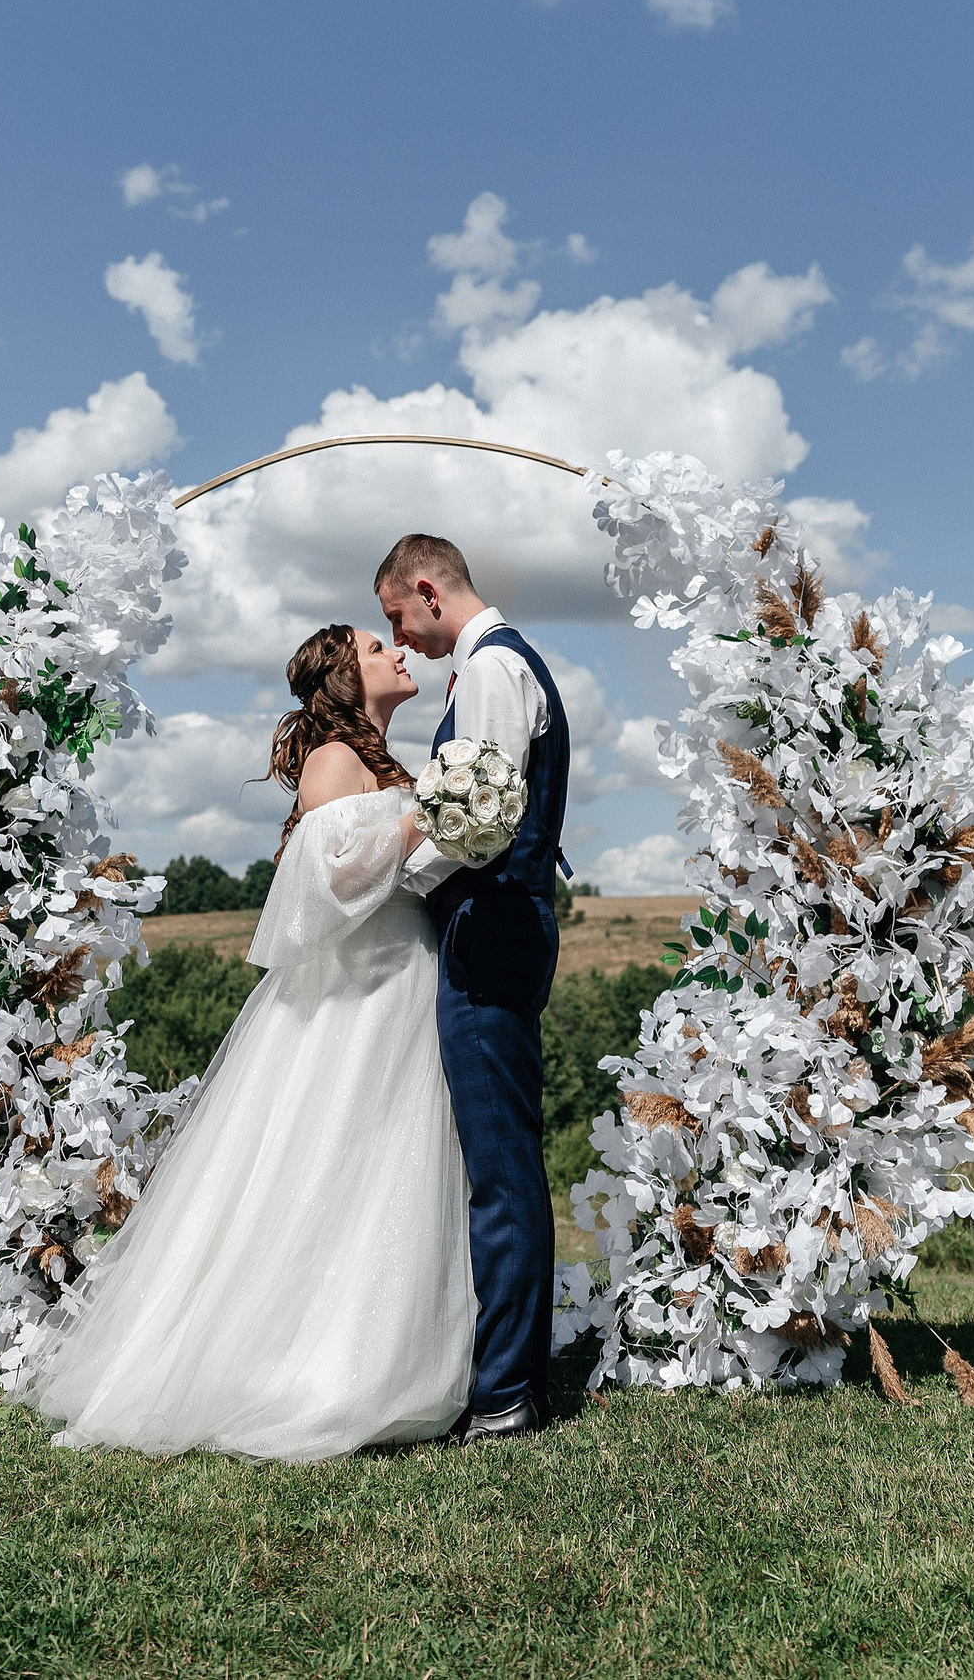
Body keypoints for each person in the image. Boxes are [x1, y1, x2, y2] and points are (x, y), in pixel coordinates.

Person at [9, 625, 474, 1460]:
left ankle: (374, 1352)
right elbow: (328, 882)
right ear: (343, 677)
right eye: (378, 647)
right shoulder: (336, 755)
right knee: (334, 1159)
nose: (398, 652)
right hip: (356, 989)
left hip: (399, 975)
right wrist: (420, 825)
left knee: (382, 1167)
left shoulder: (381, 760)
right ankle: (305, 1367)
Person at [375, 533, 571, 1445]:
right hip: (498, 926)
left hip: (491, 930)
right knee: (499, 1161)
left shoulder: (492, 670)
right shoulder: (493, 666)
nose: (402, 638)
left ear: (426, 588)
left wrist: (395, 877)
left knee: (499, 1170)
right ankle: (509, 1378)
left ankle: (505, 1395)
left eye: (396, 618)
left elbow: (478, 822)